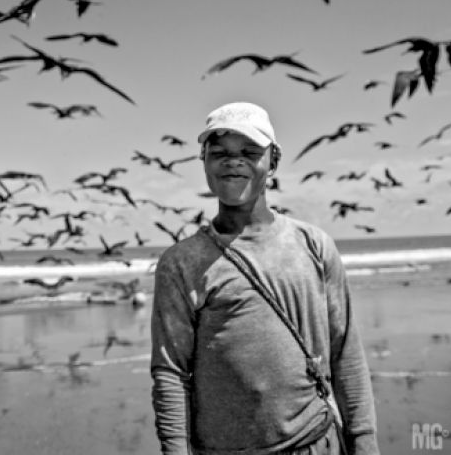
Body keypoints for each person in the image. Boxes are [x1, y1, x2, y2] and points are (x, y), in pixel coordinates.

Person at [150, 102, 379, 455]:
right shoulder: (181, 263)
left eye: (249, 152)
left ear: (273, 162)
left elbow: (345, 354)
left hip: (316, 443)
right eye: (219, 153)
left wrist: (364, 441)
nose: (233, 162)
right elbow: (171, 373)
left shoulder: (313, 246)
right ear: (204, 161)